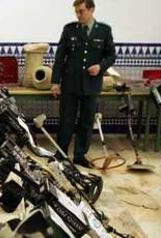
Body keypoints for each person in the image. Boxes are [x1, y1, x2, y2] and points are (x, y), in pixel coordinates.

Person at [51, 0, 116, 168]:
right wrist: (55, 82)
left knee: (86, 121)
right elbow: (60, 58)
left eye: (81, 11)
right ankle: (61, 152)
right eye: (76, 12)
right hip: (70, 84)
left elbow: (111, 56)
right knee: (66, 120)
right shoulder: (69, 29)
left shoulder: (104, 30)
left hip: (91, 84)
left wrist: (100, 67)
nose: (78, 15)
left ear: (91, 9)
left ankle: (80, 155)